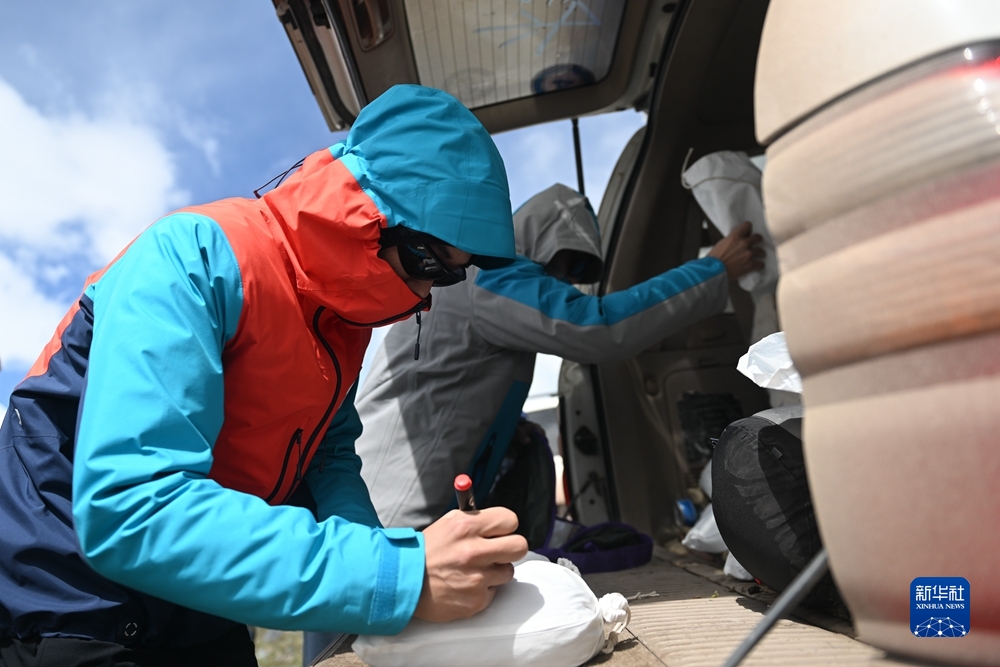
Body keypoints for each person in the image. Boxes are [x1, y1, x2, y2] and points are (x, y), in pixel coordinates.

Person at [0, 85, 528, 667]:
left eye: (451, 276)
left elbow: (327, 459)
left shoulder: (344, 323)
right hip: (69, 601)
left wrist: (385, 561)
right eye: (426, 260)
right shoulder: (193, 255)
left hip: (202, 601)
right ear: (366, 214)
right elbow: (130, 508)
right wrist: (398, 575)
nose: (426, 293)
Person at [353, 183, 764, 531]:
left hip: (395, 505)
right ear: (540, 241)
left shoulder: (476, 284)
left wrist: (507, 425)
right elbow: (600, 327)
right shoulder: (491, 276)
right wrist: (713, 270)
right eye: (563, 266)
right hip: (393, 513)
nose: (563, 283)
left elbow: (453, 378)